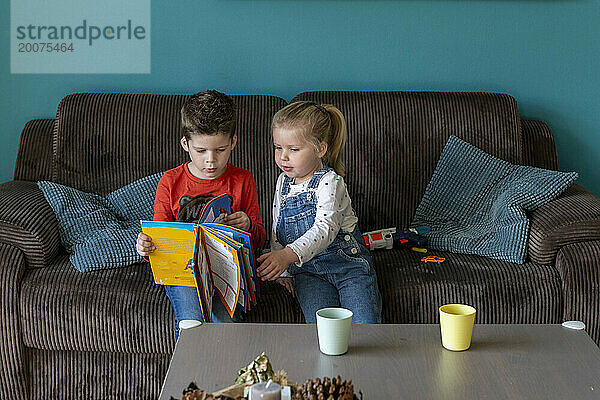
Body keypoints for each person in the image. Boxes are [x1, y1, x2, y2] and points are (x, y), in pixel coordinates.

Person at [136, 90, 266, 337]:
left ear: (233, 143)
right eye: (201, 150)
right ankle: (191, 375)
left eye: (221, 150)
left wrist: (248, 225)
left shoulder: (242, 180)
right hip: (183, 272)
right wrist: (146, 246)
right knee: (191, 326)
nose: (211, 160)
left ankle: (229, 374)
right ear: (185, 144)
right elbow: (159, 240)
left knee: (225, 326)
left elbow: (260, 239)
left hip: (227, 272)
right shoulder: (170, 182)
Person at [257, 101, 382, 324]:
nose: (283, 157)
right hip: (308, 273)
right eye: (278, 147)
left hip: (348, 269)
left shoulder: (331, 182)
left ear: (320, 149)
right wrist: (284, 270)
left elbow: (325, 230)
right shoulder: (282, 182)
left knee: (366, 328)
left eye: (293, 149)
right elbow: (277, 227)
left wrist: (287, 255)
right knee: (321, 330)